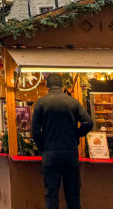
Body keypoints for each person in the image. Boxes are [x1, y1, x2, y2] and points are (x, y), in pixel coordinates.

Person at [31, 73, 93, 209]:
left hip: (50, 154)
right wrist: (75, 134)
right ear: (61, 85)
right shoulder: (73, 102)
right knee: (73, 195)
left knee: (51, 195)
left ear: (47, 85)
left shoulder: (41, 103)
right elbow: (88, 122)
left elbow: (35, 131)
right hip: (70, 153)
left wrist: (43, 146)